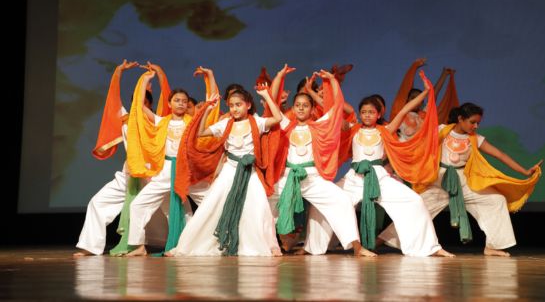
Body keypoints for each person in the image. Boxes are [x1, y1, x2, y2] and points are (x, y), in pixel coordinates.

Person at [303, 72, 453, 257]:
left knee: (414, 201)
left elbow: (406, 109)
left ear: (378, 114)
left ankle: (431, 247)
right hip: (354, 178)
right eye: (364, 112)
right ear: (359, 113)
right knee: (325, 204)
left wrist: (426, 92)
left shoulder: (385, 130)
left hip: (380, 177)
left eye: (371, 112)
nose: (367, 115)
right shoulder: (352, 129)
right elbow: (332, 112)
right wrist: (314, 91)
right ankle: (313, 247)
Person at [379, 102, 543, 256]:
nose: (475, 126)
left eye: (478, 123)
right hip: (438, 180)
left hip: (463, 181)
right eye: (472, 122)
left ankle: (492, 246)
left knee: (495, 200)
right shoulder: (442, 130)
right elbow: (419, 144)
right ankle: (383, 239)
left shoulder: (476, 139)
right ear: (460, 119)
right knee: (418, 208)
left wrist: (525, 171)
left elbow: (500, 155)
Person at [269, 68, 375, 257]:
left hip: (312, 178)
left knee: (342, 200)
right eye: (297, 105)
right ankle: (268, 245)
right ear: (293, 108)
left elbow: (336, 107)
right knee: (265, 202)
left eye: (305, 105)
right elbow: (273, 104)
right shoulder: (286, 125)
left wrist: (333, 81)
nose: (301, 108)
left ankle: (357, 247)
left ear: (311, 110)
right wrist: (279, 77)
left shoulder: (318, 126)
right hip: (288, 177)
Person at [167, 84, 282, 256]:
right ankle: (190, 244)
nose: (235, 109)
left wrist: (266, 95)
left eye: (239, 105)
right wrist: (207, 108)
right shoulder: (225, 124)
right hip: (229, 170)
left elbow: (278, 118)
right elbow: (201, 132)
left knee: (259, 208)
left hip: (249, 172)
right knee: (211, 206)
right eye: (231, 105)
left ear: (248, 105)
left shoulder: (257, 122)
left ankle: (269, 245)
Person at [74, 60, 162, 257]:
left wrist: (157, 76)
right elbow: (113, 98)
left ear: (149, 105)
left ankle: (181, 243)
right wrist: (118, 72)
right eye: (136, 102)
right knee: (98, 202)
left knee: (170, 209)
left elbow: (167, 96)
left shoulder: (157, 121)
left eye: (144, 102)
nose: (138, 105)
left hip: (152, 175)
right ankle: (90, 246)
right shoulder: (125, 118)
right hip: (129, 174)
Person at [125, 65, 209, 256]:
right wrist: (146, 79)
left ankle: (204, 242)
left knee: (211, 201)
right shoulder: (161, 121)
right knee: (138, 205)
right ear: (169, 103)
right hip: (165, 170)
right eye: (176, 100)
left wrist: (208, 77)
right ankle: (138, 246)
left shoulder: (193, 122)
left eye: (184, 101)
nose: (180, 104)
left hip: (186, 171)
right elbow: (139, 107)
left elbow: (209, 113)